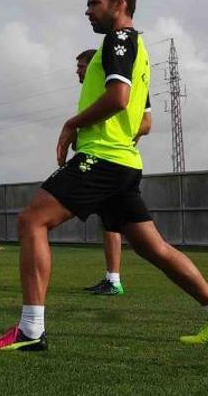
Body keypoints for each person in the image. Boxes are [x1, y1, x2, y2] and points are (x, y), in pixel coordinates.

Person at [0, 0, 208, 351]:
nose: (88, 11)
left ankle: (30, 331)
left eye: (94, 3)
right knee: (155, 249)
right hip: (122, 162)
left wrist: (74, 124)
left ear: (120, 4)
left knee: (31, 220)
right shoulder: (138, 50)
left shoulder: (118, 41)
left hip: (102, 158)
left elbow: (119, 99)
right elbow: (144, 119)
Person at [74, 49, 152, 296]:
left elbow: (146, 123)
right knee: (114, 225)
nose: (78, 71)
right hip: (115, 161)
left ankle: (113, 280)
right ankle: (113, 279)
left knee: (34, 219)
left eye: (81, 66)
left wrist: (118, 136)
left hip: (109, 160)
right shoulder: (96, 90)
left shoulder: (119, 82)